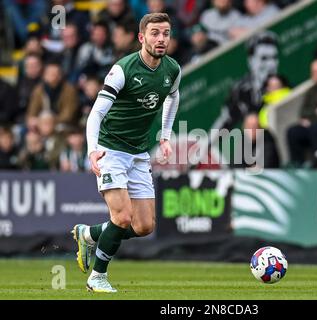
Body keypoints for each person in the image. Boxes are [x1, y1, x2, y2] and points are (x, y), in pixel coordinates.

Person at [71, 13, 181, 293]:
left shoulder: (172, 69)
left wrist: (165, 136)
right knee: (121, 218)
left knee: (144, 226)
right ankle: (97, 277)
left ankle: (90, 233)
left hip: (139, 153)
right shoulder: (124, 69)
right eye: (155, 33)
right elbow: (96, 113)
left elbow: (173, 95)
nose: (161, 39)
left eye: (166, 33)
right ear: (142, 37)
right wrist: (93, 150)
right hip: (111, 150)